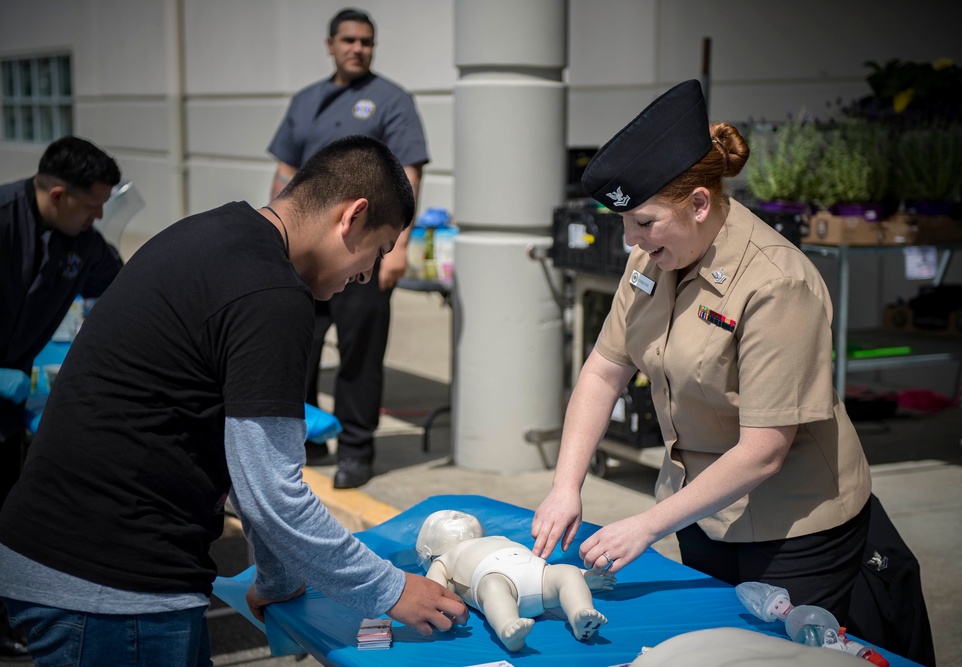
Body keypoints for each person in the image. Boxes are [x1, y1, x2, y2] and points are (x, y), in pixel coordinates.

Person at [0, 135, 468, 666]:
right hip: (111, 583)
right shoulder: (271, 294)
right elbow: (273, 494)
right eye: (376, 252)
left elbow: (250, 473)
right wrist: (389, 589)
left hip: (73, 558)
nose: (363, 277)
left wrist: (277, 578)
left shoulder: (215, 233)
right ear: (353, 216)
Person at [531, 80, 872, 623]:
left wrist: (647, 523)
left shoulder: (776, 283)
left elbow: (764, 450)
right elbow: (603, 372)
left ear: (698, 202)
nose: (631, 241)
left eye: (644, 222)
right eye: (624, 224)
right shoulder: (649, 260)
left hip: (793, 528)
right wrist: (564, 487)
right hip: (700, 511)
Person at [267, 7, 428, 489]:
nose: (358, 48)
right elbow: (283, 173)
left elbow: (411, 174)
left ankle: (356, 449)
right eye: (349, 40)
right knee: (299, 349)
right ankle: (306, 438)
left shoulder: (392, 100)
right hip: (307, 256)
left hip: (364, 255)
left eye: (367, 41)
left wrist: (397, 247)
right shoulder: (306, 101)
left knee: (360, 353)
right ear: (331, 44)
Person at [0, 135, 123, 660]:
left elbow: (125, 291)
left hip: (7, 406)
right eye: (91, 205)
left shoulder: (82, 244)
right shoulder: (3, 220)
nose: (98, 216)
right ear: (56, 194)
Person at [416, 509, 613, 652]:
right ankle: (508, 626)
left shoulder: (490, 541)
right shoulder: (446, 559)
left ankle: (580, 613)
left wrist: (585, 577)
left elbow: (433, 589)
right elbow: (435, 590)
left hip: (533, 571)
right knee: (494, 588)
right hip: (499, 575)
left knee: (567, 573)